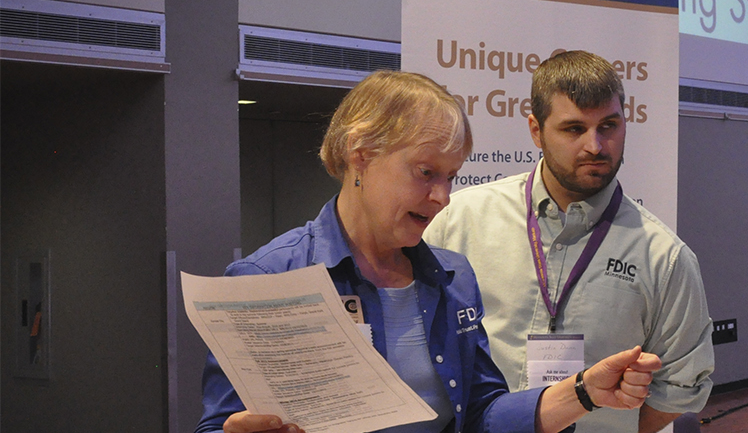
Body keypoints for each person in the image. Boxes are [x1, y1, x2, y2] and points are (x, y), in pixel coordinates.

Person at [197, 71, 660, 433]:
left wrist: (583, 392)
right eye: (425, 172)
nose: (443, 196)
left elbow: (482, 414)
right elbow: (219, 425)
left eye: (452, 176)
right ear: (361, 154)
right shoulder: (268, 278)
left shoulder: (452, 276)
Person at [425, 51, 714, 433]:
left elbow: (679, 391)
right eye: (574, 129)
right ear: (535, 130)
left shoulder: (665, 257)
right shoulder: (458, 221)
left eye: (608, 126)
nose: (595, 145)